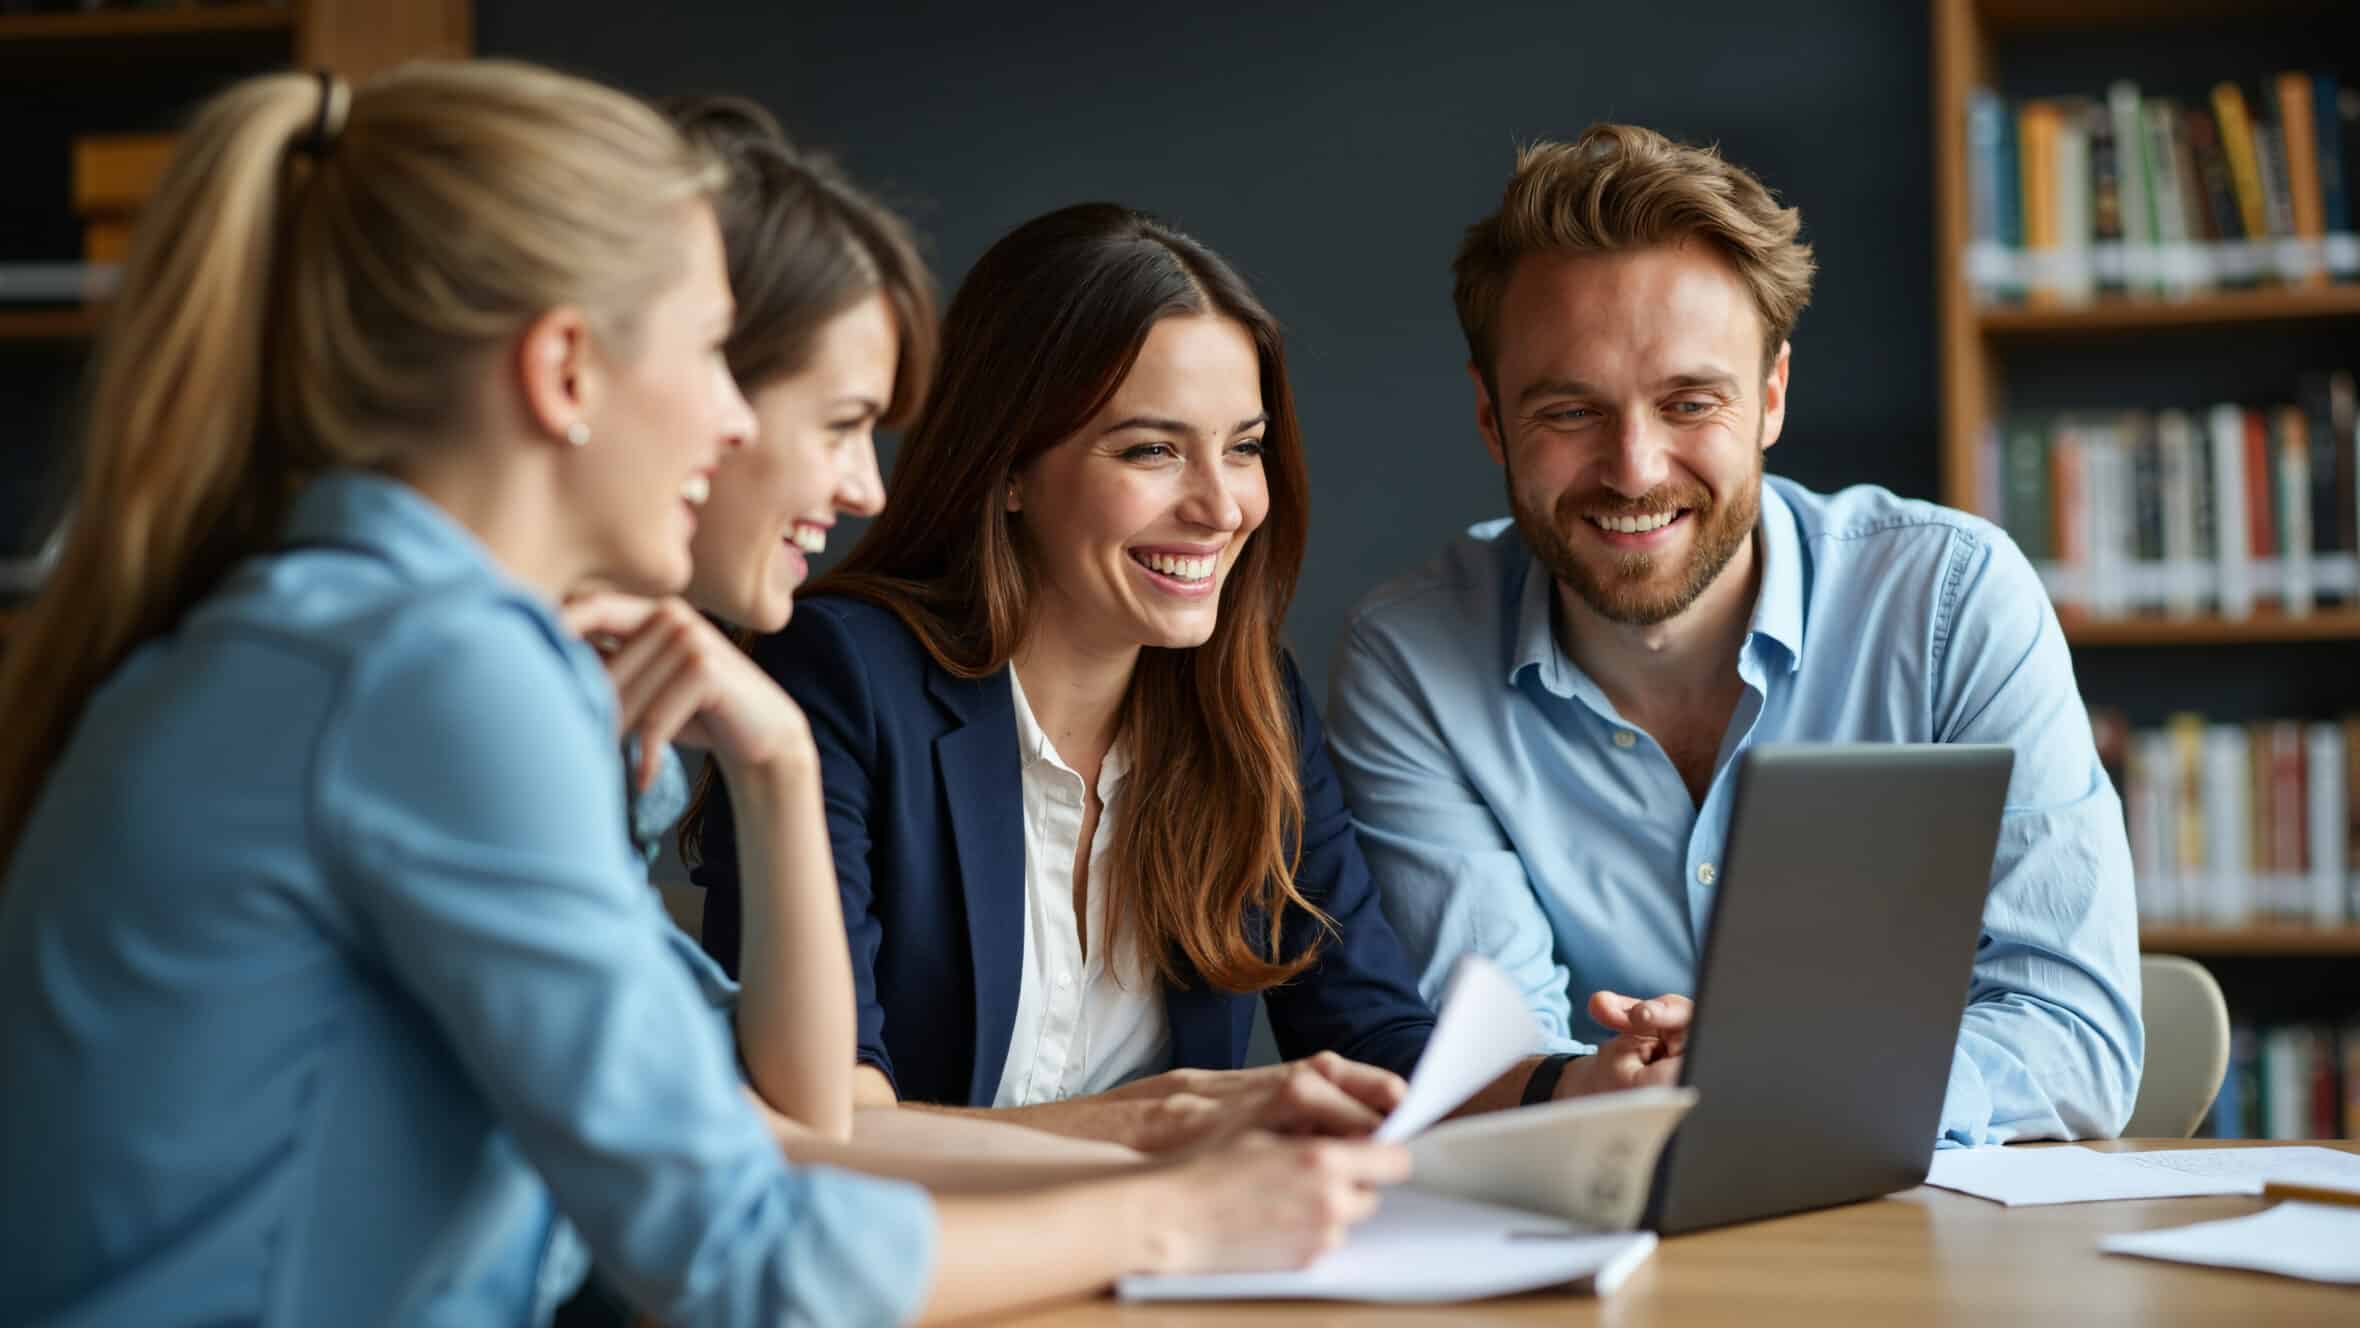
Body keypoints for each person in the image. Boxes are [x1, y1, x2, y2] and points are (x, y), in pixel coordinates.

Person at [0, 64, 1406, 1328]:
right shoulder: (426, 677)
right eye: (710, 354)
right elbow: (738, 1253)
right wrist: (1188, 1213)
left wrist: (1167, 1141)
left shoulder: (388, 641)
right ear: (566, 373)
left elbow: (768, 1129)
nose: (744, 426)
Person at [695, 202, 1684, 1155]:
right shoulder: (838, 677)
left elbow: (1375, 1046)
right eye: (1152, 449)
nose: (1221, 506)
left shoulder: (1248, 702)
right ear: (1005, 468)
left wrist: (1578, 1083)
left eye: (1244, 448)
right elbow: (823, 1119)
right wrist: (1152, 1121)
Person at [1325, 123, 2144, 1148]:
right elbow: (1497, 1073)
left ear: (1768, 397)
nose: (1633, 468)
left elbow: (2072, 1038)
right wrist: (1643, 1083)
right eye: (1570, 411)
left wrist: (1778, 1080)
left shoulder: (1950, 601)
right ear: (1491, 421)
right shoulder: (1409, 659)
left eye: (1688, 402)